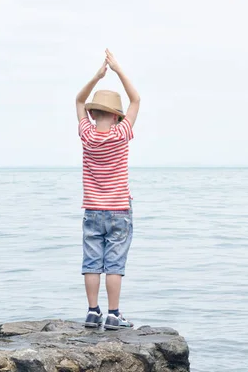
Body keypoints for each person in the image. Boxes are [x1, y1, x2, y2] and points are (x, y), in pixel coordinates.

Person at [75, 49, 141, 330]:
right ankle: (114, 314)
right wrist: (117, 69)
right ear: (116, 117)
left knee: (92, 262)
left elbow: (78, 99)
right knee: (114, 265)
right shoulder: (121, 134)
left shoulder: (86, 134)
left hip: (92, 209)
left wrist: (97, 76)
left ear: (93, 114)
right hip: (118, 210)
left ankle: (92, 312)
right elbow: (136, 99)